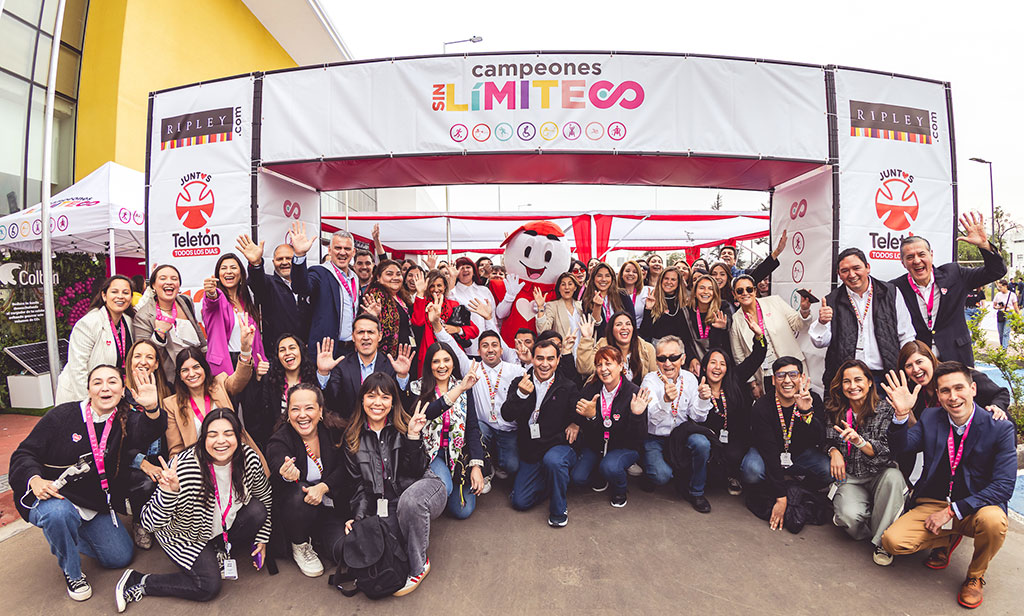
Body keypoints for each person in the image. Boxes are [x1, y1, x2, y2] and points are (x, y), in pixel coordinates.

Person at [10, 365, 164, 602]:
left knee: (120, 558)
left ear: (122, 390)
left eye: (112, 382)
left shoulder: (124, 419)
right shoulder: (62, 415)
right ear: (89, 389)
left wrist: (152, 408)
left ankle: (67, 532)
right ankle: (72, 572)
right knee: (59, 515)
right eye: (98, 382)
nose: (105, 388)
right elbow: (24, 453)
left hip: (92, 501)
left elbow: (149, 430)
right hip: (52, 496)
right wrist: (35, 479)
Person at [880, 363, 1016, 609]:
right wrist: (901, 416)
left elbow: (1004, 486)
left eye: (959, 388)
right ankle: (947, 536)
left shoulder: (1000, 428)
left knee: (994, 522)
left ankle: (975, 575)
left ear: (973, 389)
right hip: (933, 501)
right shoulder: (931, 417)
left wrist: (953, 510)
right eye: (945, 391)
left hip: (975, 505)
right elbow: (903, 448)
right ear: (938, 394)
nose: (953, 397)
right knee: (893, 542)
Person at [116, 409, 272, 610]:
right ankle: (139, 581)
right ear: (203, 438)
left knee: (258, 511)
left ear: (238, 436)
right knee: (208, 586)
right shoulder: (185, 467)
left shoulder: (248, 458)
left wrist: (263, 536)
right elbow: (149, 522)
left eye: (228, 433)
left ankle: (217, 548)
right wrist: (168, 493)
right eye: (212, 434)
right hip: (185, 533)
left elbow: (264, 496)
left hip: (218, 525)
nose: (221, 441)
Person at [341, 373, 446, 596]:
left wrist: (412, 437)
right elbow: (358, 486)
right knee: (380, 542)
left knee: (410, 503)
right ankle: (411, 531)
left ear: (393, 401)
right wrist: (359, 518)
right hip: (387, 504)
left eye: (384, 397)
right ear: (362, 400)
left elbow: (418, 471)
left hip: (424, 488)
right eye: (371, 396)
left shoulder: (405, 424)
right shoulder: (352, 437)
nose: (377, 403)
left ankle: (420, 566)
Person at [429, 307, 526, 490]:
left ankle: (498, 463)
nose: (490, 350)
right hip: (484, 428)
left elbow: (535, 378)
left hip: (508, 430)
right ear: (479, 350)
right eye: (485, 346)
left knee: (512, 466)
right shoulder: (472, 368)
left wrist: (528, 361)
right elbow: (451, 345)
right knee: (479, 429)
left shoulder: (515, 370)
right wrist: (436, 325)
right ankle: (485, 468)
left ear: (501, 348)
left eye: (494, 345)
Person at [890, 213, 1005, 364]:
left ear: (931, 255)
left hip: (956, 357)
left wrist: (983, 245)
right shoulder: (895, 288)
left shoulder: (954, 274)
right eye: (910, 257)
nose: (917, 261)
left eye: (921, 254)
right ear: (903, 263)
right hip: (920, 364)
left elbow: (996, 271)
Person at [824, 360, 906, 566]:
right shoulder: (835, 409)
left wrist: (859, 442)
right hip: (850, 476)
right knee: (847, 517)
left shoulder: (886, 409)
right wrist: (833, 451)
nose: (853, 386)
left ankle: (883, 542)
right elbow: (825, 439)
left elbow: (887, 452)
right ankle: (873, 523)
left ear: (870, 382)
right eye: (847, 381)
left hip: (880, 472)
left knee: (895, 478)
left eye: (858, 380)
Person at [895, 340, 1010, 478]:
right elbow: (916, 437)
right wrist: (904, 416)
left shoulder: (955, 375)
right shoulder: (913, 392)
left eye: (919, 362)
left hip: (980, 438)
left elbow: (1001, 393)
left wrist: (996, 407)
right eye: (909, 366)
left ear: (931, 358)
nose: (915, 369)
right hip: (948, 445)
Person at [266, 384, 347, 578]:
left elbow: (346, 467)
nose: (302, 415)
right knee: (299, 490)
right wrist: (286, 473)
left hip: (329, 509)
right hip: (295, 514)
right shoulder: (281, 438)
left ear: (320, 411)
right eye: (295, 409)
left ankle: (320, 540)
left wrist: (323, 487)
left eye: (309, 408)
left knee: (344, 552)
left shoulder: (335, 430)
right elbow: (277, 456)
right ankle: (299, 544)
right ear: (288, 414)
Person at [810, 247, 916, 388]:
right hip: (847, 380)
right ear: (839, 274)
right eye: (845, 271)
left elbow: (906, 335)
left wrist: (908, 367)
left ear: (867, 268)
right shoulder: (832, 300)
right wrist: (822, 323)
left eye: (856, 268)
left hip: (885, 378)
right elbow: (820, 342)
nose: (852, 274)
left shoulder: (890, 293)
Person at [503, 339, 582, 526]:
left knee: (553, 461)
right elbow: (507, 415)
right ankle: (553, 482)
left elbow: (579, 412)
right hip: (531, 450)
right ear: (532, 359)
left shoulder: (567, 386)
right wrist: (521, 395)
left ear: (558, 360)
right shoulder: (520, 382)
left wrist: (576, 423)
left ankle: (558, 508)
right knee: (519, 502)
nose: (544, 364)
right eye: (539, 358)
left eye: (550, 359)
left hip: (558, 447)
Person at [747, 357, 831, 529]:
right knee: (751, 471)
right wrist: (781, 498)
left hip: (799, 454)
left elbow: (820, 437)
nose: (787, 380)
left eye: (793, 375)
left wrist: (806, 412)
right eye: (781, 375)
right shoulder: (762, 406)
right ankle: (774, 487)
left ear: (801, 377)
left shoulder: (812, 398)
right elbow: (769, 452)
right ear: (773, 380)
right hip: (767, 453)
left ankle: (798, 488)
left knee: (829, 471)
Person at [639, 336, 715, 511]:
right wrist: (665, 400)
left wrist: (703, 400)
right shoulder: (650, 380)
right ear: (656, 360)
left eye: (673, 357)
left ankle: (696, 492)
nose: (668, 363)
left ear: (683, 358)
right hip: (654, 437)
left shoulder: (689, 379)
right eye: (662, 358)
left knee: (702, 444)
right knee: (661, 476)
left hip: (680, 435)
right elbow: (650, 420)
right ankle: (649, 469)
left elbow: (698, 418)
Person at [413, 337, 485, 519]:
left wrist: (476, 465)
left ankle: (452, 484)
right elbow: (429, 412)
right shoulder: (418, 388)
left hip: (458, 455)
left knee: (463, 511)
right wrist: (459, 389)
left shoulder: (464, 387)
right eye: (436, 361)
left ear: (453, 362)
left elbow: (472, 427)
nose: (442, 366)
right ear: (429, 365)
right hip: (431, 454)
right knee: (445, 487)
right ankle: (434, 487)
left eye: (446, 360)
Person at [571, 346, 651, 507]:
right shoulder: (591, 390)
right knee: (578, 478)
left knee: (611, 466)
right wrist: (586, 419)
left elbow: (638, 438)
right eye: (599, 365)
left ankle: (620, 489)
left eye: (608, 363)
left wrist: (636, 415)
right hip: (596, 445)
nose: (603, 369)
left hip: (623, 447)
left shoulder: (634, 393)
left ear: (621, 366)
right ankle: (600, 473)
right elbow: (582, 420)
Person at [699, 323, 767, 497]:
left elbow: (757, 357)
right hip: (709, 440)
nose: (717, 367)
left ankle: (732, 475)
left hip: (736, 438)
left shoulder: (735, 379)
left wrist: (759, 336)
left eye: (722, 364)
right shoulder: (696, 386)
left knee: (733, 454)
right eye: (712, 363)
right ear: (705, 366)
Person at [121, 340, 173, 550]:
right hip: (130, 462)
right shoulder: (120, 395)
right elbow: (114, 445)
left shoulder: (166, 391)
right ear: (130, 362)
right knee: (146, 482)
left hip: (162, 456)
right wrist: (143, 463)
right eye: (138, 356)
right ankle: (140, 521)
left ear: (157, 364)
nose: (143, 362)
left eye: (149, 357)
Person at [163, 346, 258, 460]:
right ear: (180, 375)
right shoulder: (171, 405)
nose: (192, 374)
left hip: (236, 458)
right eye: (185, 370)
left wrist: (245, 351)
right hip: (200, 466)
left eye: (196, 367)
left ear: (204, 368)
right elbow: (176, 449)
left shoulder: (220, 384)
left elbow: (239, 380)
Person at [56, 275, 135, 404]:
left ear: (131, 297)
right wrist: (88, 403)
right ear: (104, 296)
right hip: (81, 395)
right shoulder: (89, 323)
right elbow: (77, 369)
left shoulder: (128, 321)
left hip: (110, 393)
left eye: (125, 292)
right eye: (114, 292)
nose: (120, 296)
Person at [314, 314, 412, 419]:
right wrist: (323, 373)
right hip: (349, 428)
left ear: (379, 336)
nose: (366, 337)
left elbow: (401, 404)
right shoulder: (342, 366)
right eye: (361, 332)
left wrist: (402, 376)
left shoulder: (391, 365)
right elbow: (331, 402)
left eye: (370, 332)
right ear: (353, 336)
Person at [287, 222, 360, 358]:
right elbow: (300, 287)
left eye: (347, 249)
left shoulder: (354, 278)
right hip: (327, 350)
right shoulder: (320, 272)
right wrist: (300, 255)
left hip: (352, 350)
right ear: (329, 250)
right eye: (338, 248)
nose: (342, 252)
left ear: (353, 252)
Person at [730, 274, 812, 393]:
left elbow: (797, 324)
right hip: (765, 376)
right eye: (739, 290)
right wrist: (752, 384)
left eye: (749, 289)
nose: (745, 293)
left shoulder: (775, 302)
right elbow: (739, 357)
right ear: (734, 295)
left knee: (799, 405)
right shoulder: (736, 321)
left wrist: (804, 311)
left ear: (755, 290)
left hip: (791, 368)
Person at [242, 334, 320, 449]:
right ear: (278, 357)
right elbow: (254, 413)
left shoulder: (313, 379)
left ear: (301, 351)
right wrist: (258, 378)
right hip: (279, 445)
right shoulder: (270, 383)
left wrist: (324, 373)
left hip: (310, 442)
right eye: (282, 350)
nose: (287, 353)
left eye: (292, 348)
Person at [133, 264, 207, 384]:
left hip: (195, 374)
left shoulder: (185, 301)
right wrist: (159, 335)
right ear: (153, 285)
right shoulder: (143, 316)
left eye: (174, 279)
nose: (169, 282)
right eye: (163, 278)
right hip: (170, 380)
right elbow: (144, 356)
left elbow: (196, 328)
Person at [236, 234, 311, 352]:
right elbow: (257, 281)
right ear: (273, 262)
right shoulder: (268, 285)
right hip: (277, 354)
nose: (284, 262)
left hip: (305, 353)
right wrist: (256, 264)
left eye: (289, 258)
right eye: (279, 259)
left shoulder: (308, 284)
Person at [201, 253, 265, 377]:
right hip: (225, 365)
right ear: (218, 275)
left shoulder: (247, 302)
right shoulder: (217, 299)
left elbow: (256, 340)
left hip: (249, 363)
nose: (228, 271)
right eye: (224, 268)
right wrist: (211, 293)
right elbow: (211, 301)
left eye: (233, 268)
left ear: (241, 275)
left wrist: (261, 361)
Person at [410, 268, 480, 375]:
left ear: (445, 287)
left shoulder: (453, 305)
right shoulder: (423, 304)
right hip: (429, 355)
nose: (436, 289)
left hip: (452, 354)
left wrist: (457, 329)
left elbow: (474, 331)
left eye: (439, 285)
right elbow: (417, 322)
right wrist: (420, 293)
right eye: (432, 286)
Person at [578, 311, 657, 386]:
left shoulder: (647, 349)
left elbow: (654, 379)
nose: (624, 327)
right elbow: (585, 369)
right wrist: (586, 339)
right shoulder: (602, 346)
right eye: (619, 324)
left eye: (628, 324)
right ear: (611, 329)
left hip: (639, 397)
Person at [360, 259, 414, 358]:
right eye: (389, 274)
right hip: (386, 357)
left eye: (398, 274)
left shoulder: (401, 296)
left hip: (405, 354)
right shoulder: (376, 295)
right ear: (378, 277)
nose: (395, 277)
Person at [449, 256, 497, 357]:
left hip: (488, 345)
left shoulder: (484, 290)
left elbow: (494, 318)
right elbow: (449, 307)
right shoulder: (453, 292)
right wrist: (452, 278)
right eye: (461, 268)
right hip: (466, 345)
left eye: (468, 267)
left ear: (474, 271)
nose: (465, 270)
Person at [683, 273, 731, 373]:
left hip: (718, 362)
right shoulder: (687, 310)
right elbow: (684, 340)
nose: (706, 292)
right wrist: (691, 359)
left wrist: (723, 326)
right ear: (695, 292)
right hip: (695, 361)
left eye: (710, 288)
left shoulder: (722, 306)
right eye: (702, 288)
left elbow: (729, 321)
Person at [638, 267, 690, 345]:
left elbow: (687, 334)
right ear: (661, 280)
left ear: (678, 282)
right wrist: (648, 309)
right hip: (657, 346)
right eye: (666, 278)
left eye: (673, 279)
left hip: (678, 347)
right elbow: (645, 332)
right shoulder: (653, 299)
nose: (669, 282)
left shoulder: (685, 302)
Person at [581, 262, 635, 337]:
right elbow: (594, 326)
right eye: (599, 276)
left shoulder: (622, 295)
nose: (603, 279)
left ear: (612, 278)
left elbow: (632, 321)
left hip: (623, 340)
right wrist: (597, 306)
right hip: (601, 343)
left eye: (607, 276)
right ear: (593, 278)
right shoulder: (587, 299)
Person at [535, 272, 584, 348]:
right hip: (563, 351)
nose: (566, 287)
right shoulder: (552, 306)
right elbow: (543, 331)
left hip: (582, 352)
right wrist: (540, 307)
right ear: (559, 288)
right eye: (563, 284)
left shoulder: (581, 305)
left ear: (575, 287)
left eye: (570, 284)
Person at [618, 260, 650, 326]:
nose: (630, 274)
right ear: (621, 274)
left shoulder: (647, 291)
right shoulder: (614, 293)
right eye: (627, 271)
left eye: (635, 272)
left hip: (641, 333)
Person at [992, 279, 1018, 348]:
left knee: (1006, 332)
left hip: (1009, 314)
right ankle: (1002, 346)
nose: (999, 289)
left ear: (1005, 286)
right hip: (1000, 313)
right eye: (998, 287)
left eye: (1000, 287)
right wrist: (999, 307)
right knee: (1000, 332)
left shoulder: (1012, 295)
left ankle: (1004, 348)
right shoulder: (998, 295)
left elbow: (1015, 306)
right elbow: (994, 306)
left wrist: (1018, 316)